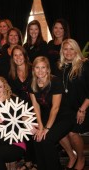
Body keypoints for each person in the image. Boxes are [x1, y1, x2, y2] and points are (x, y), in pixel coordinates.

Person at [30, 56, 72, 170]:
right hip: (47, 116)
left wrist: (46, 129)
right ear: (33, 70)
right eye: (37, 68)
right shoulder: (32, 84)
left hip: (64, 116)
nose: (40, 71)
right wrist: (40, 126)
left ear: (48, 69)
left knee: (47, 139)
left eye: (43, 67)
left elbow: (55, 108)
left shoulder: (55, 81)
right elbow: (36, 107)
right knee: (37, 138)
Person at [57, 39, 89, 170]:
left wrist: (82, 109)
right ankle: (72, 156)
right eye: (65, 49)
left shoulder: (84, 65)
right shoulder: (60, 67)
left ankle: (81, 158)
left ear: (76, 50)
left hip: (82, 108)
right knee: (56, 130)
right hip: (65, 109)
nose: (68, 52)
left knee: (71, 132)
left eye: (71, 49)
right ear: (62, 51)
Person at [8, 45, 35, 169]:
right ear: (12, 58)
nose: (18, 57)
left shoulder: (33, 69)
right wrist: (21, 110)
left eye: (20, 54)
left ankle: (35, 162)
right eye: (15, 55)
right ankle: (28, 160)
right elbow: (12, 94)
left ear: (25, 56)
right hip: (22, 108)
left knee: (32, 129)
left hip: (37, 106)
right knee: (21, 127)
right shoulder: (11, 74)